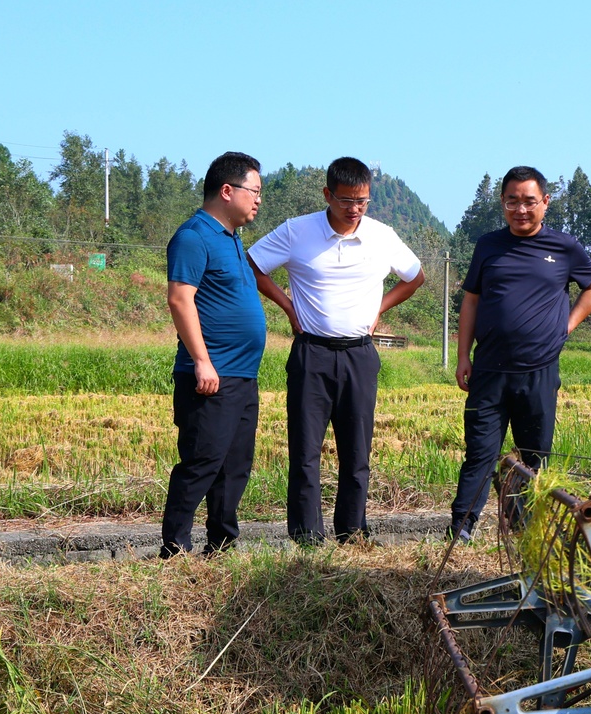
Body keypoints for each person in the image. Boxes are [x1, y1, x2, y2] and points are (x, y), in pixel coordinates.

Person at [247, 157, 424, 543]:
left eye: (362, 201)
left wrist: (379, 309)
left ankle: (352, 531)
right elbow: (253, 264)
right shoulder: (297, 231)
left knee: (357, 451)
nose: (354, 209)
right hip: (311, 353)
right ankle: (307, 537)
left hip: (360, 355)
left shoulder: (382, 236)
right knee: (305, 450)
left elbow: (415, 277)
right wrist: (288, 306)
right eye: (346, 200)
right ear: (328, 195)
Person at [449, 166, 591, 541]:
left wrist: (565, 326)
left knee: (535, 457)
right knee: (480, 452)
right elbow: (471, 302)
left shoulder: (564, 247)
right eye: (512, 201)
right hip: (489, 369)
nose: (521, 209)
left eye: (529, 201)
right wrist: (463, 355)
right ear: (502, 203)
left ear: (545, 202)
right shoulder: (488, 245)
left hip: (539, 370)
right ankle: (461, 529)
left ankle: (526, 530)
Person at [161, 151, 268, 558]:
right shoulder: (193, 236)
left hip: (242, 375)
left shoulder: (232, 239)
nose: (258, 200)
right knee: (202, 461)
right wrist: (203, 361)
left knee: (235, 465)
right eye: (253, 191)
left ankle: (221, 545)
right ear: (227, 190)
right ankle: (175, 548)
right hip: (210, 374)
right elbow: (180, 299)